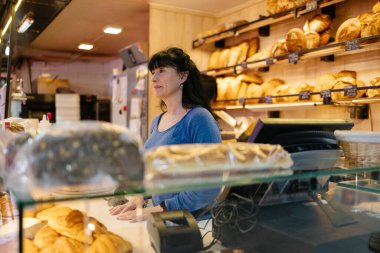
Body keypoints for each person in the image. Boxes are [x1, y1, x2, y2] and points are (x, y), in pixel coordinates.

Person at [109, 47, 221, 222]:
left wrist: (161, 209)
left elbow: (209, 186)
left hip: (193, 222)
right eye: (153, 72)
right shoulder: (158, 121)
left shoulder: (199, 118)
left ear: (183, 76)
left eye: (162, 71)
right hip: (162, 218)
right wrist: (142, 197)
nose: (154, 78)